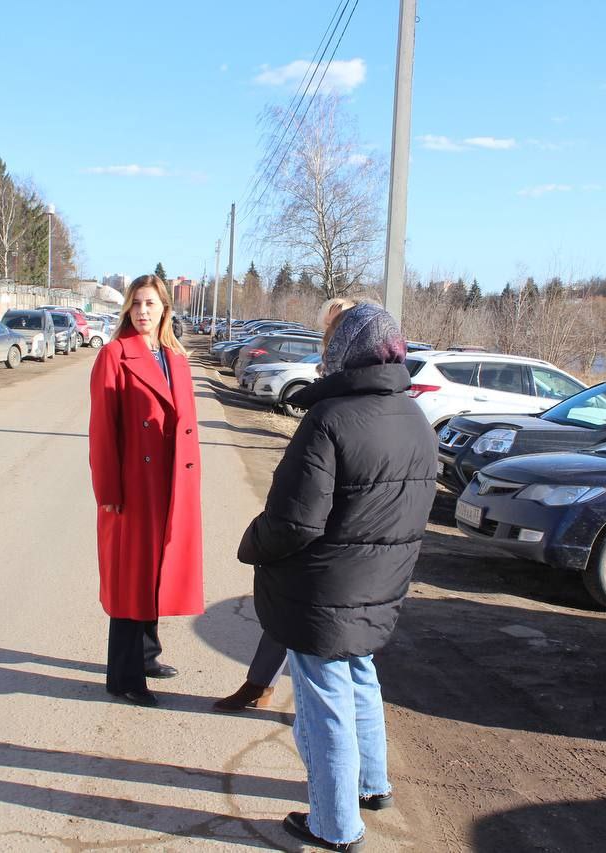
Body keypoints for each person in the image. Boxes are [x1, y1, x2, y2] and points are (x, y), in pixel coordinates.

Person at [238, 303, 437, 850]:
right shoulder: (415, 417)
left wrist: (251, 545)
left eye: (330, 345)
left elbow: (294, 521)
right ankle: (373, 785)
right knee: (362, 677)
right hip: (381, 583)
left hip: (325, 590)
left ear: (346, 354)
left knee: (326, 701)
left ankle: (335, 824)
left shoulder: (331, 419)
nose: (324, 355)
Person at [213, 296, 359, 714]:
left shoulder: (351, 394)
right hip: (320, 517)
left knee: (332, 647)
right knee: (285, 608)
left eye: (335, 327)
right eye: (327, 328)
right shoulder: (333, 383)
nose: (328, 337)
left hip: (338, 535)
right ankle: (260, 684)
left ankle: (317, 719)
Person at [89, 274, 204, 708]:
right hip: (134, 487)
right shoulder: (114, 355)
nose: (142, 311)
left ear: (165, 309)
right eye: (136, 303)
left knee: (158, 571)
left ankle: (147, 656)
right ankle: (123, 676)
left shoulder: (176, 358)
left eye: (150, 303)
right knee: (130, 579)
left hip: (172, 482)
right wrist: (109, 490)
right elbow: (102, 431)